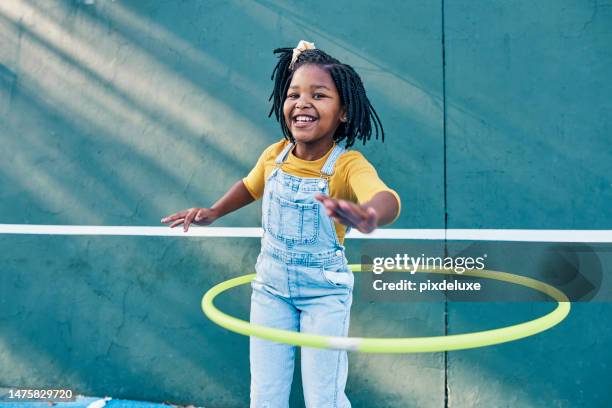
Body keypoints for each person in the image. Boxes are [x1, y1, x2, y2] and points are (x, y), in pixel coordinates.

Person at [161, 40, 401, 408]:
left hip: (324, 294)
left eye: (319, 95)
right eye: (294, 94)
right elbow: (250, 186)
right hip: (270, 290)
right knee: (266, 396)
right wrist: (213, 212)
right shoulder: (274, 155)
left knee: (325, 399)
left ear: (344, 113)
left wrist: (370, 215)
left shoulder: (347, 165)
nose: (303, 103)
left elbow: (386, 198)